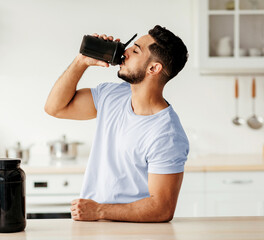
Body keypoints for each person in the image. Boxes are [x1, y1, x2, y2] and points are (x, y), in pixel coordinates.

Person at [44, 25, 189, 223]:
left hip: (134, 232)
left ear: (153, 68)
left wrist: (99, 211)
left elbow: (161, 208)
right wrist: (81, 61)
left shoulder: (167, 134)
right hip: (92, 226)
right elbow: (55, 108)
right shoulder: (111, 96)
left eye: (136, 50)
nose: (125, 52)